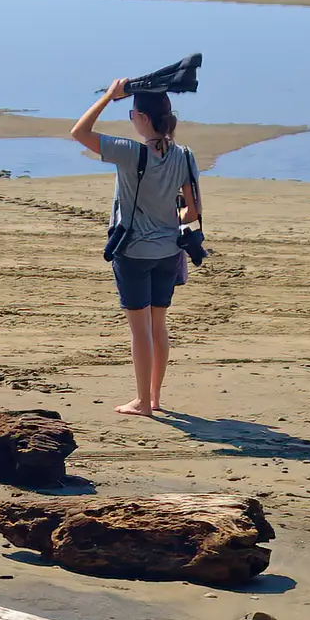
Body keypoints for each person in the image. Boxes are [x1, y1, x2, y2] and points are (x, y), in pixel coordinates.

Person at [70, 77, 200, 417]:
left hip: (134, 254)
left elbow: (79, 132)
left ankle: (143, 403)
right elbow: (192, 211)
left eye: (132, 114)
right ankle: (154, 397)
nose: (131, 120)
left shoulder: (130, 152)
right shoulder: (184, 155)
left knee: (140, 330)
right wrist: (166, 215)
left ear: (142, 118)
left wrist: (108, 97)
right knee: (158, 326)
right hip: (169, 252)